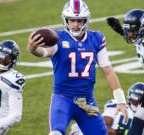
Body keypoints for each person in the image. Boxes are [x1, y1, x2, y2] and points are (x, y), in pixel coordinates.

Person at [27, 0, 128, 135]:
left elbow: (108, 71)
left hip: (86, 101)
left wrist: (120, 100)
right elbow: (44, 52)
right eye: (72, 20)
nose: (75, 24)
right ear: (65, 20)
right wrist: (33, 49)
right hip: (63, 99)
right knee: (55, 133)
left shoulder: (97, 38)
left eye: (80, 20)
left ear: (86, 20)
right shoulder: (58, 38)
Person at [106, 9, 144, 135]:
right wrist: (119, 29)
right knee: (137, 122)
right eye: (128, 30)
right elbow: (135, 38)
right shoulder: (141, 36)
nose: (130, 34)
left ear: (143, 28)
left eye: (133, 30)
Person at [69, 82, 144, 135]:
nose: (135, 102)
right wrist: (116, 132)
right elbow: (102, 125)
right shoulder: (119, 106)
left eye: (137, 100)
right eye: (134, 99)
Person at [0, 40, 26, 135]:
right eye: (1, 55)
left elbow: (16, 115)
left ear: (13, 59)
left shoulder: (14, 79)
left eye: (7, 58)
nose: (3, 59)